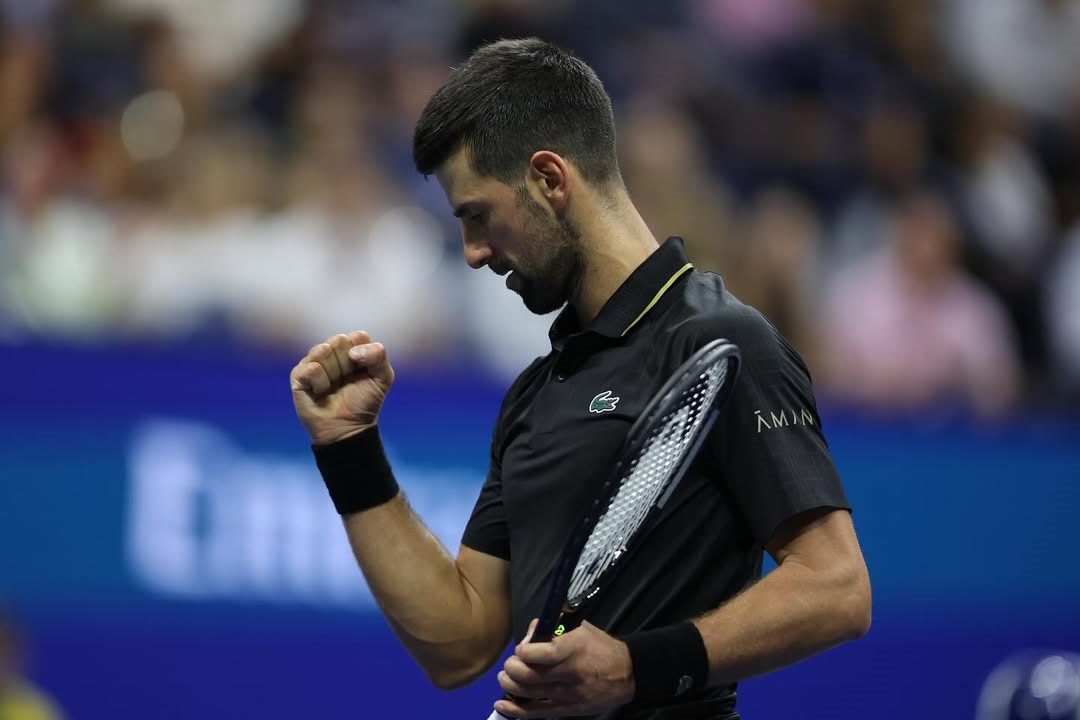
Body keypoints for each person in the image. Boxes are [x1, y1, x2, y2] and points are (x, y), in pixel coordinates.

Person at [290, 38, 871, 719]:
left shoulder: (724, 341)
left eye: (477, 215)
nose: (473, 252)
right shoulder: (535, 393)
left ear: (549, 179)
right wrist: (349, 446)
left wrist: (634, 668)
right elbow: (460, 646)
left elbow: (837, 587)